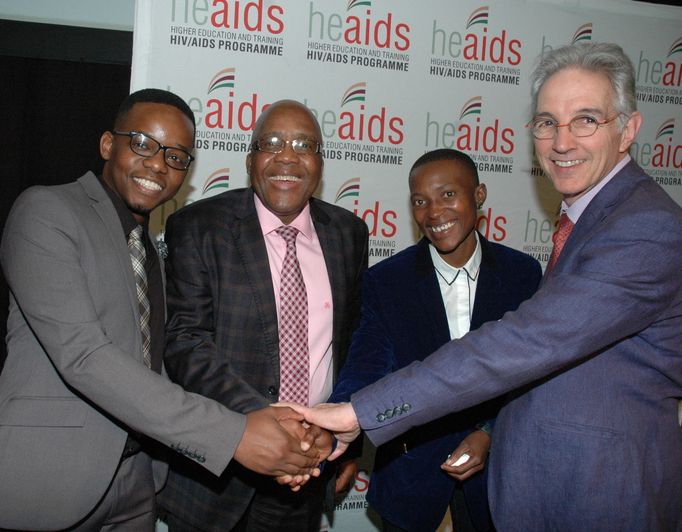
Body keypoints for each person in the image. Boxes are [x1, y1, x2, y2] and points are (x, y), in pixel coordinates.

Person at [282, 42, 682, 531]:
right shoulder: (588, 222)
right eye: (547, 122)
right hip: (506, 490)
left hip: (600, 494)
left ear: (629, 130)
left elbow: (528, 343)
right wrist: (349, 407)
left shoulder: (644, 228)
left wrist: (360, 413)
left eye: (586, 120)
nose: (562, 141)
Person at [0, 89, 325, 532]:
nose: (158, 164)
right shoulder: (47, 211)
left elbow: (160, 358)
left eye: (176, 156)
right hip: (48, 481)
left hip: (139, 485)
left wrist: (271, 424)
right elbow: (83, 355)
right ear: (107, 145)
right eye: (142, 144)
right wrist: (233, 435)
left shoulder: (151, 247)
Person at [157, 100, 369, 532]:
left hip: (305, 475)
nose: (287, 156)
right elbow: (186, 342)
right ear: (250, 159)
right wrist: (274, 427)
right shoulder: (197, 226)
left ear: (319, 163)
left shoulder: (348, 233)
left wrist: (343, 443)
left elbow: (353, 344)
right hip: (216, 474)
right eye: (271, 143)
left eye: (303, 145)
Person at [330, 149, 541, 532]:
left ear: (479, 195)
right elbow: (367, 362)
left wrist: (486, 432)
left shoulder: (522, 274)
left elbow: (531, 374)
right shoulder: (387, 281)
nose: (433, 212)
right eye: (419, 201)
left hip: (499, 483)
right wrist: (333, 420)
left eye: (448, 194)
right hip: (411, 481)